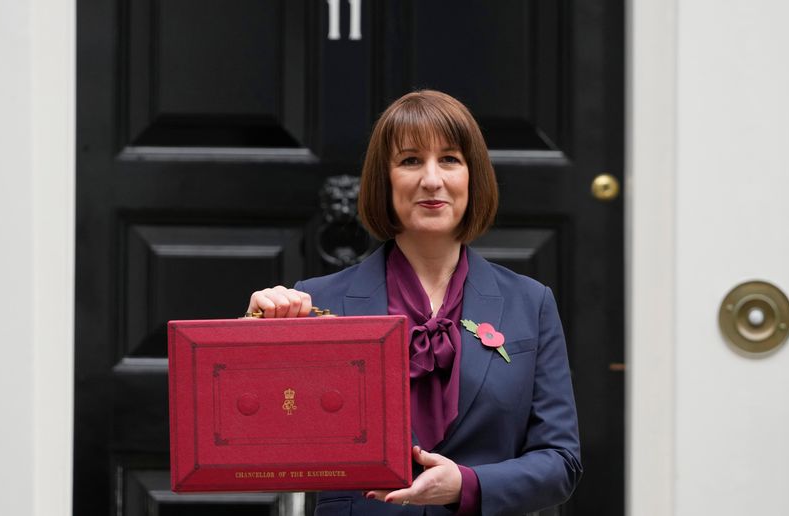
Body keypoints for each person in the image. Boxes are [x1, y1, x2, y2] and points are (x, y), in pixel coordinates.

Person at [247, 90, 581, 515]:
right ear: (383, 181)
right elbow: (269, 441)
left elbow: (561, 462)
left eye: (449, 159)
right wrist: (257, 333)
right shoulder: (319, 302)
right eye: (409, 161)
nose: (431, 179)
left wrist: (468, 484)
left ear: (472, 176)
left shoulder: (530, 303)